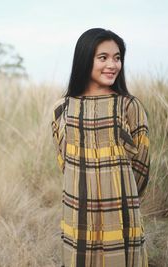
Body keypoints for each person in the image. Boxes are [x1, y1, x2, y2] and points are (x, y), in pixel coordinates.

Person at [51, 28, 150, 267]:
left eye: (117, 57)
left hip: (120, 209)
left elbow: (142, 163)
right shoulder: (62, 108)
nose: (113, 65)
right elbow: (64, 160)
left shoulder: (129, 105)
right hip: (78, 208)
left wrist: (119, 195)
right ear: (85, 59)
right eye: (103, 57)